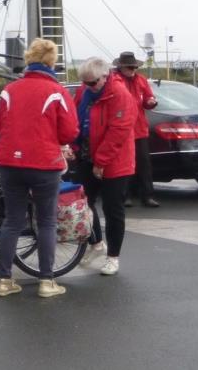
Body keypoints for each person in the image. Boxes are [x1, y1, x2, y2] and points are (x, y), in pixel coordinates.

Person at [0, 39, 79, 298]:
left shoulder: (10, 90)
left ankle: (4, 280)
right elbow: (69, 131)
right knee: (47, 222)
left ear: (29, 60)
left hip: (8, 163)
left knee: (12, 221)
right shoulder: (57, 92)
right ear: (51, 62)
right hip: (43, 164)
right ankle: (46, 281)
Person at [72, 57, 136, 276]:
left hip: (115, 161)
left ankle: (113, 257)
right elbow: (76, 121)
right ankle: (97, 244)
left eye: (92, 83)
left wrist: (101, 162)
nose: (88, 87)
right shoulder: (85, 92)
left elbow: (119, 131)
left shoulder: (120, 95)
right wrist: (71, 145)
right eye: (85, 83)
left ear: (105, 76)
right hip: (87, 155)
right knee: (83, 205)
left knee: (112, 210)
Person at [112, 51, 160, 207]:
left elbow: (147, 99)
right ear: (121, 67)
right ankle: (126, 195)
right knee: (125, 164)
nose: (132, 70)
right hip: (122, 129)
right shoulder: (114, 80)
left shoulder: (141, 80)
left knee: (144, 163)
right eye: (130, 67)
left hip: (139, 128)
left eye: (134, 67)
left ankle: (148, 195)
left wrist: (151, 102)